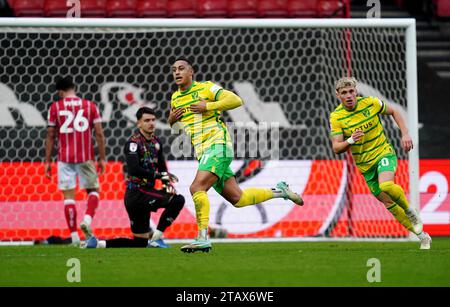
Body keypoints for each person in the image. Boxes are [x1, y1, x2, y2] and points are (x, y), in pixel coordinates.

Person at [168, 58, 304, 253]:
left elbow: (236, 100)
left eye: (181, 68)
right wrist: (171, 120)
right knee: (238, 199)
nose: (177, 72)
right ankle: (281, 192)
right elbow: (178, 125)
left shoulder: (206, 88)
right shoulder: (175, 98)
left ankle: (202, 237)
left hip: (217, 145)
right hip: (202, 152)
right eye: (174, 70)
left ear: (191, 71)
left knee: (197, 187)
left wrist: (208, 106)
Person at [329, 77, 431, 249]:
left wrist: (404, 133)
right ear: (338, 95)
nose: (349, 96)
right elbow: (337, 147)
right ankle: (422, 236)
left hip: (383, 152)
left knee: (386, 186)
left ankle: (409, 211)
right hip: (365, 166)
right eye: (344, 93)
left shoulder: (370, 103)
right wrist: (351, 141)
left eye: (351, 91)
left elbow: (394, 112)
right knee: (389, 203)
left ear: (356, 91)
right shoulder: (336, 117)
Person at [85, 107, 185, 248]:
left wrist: (166, 184)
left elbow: (162, 167)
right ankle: (157, 237)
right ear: (139, 123)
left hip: (143, 193)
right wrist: (158, 175)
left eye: (153, 120)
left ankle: (98, 244)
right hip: (137, 193)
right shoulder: (133, 143)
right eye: (146, 120)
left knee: (139, 243)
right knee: (178, 200)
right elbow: (134, 169)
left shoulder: (156, 142)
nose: (151, 123)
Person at [45, 77, 106, 246]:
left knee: (68, 197)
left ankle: (73, 237)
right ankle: (86, 220)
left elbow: (50, 135)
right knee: (93, 190)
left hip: (64, 159)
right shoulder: (90, 106)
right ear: (74, 88)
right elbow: (99, 134)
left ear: (60, 92)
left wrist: (47, 161)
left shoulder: (55, 107)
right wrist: (102, 158)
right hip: (85, 157)